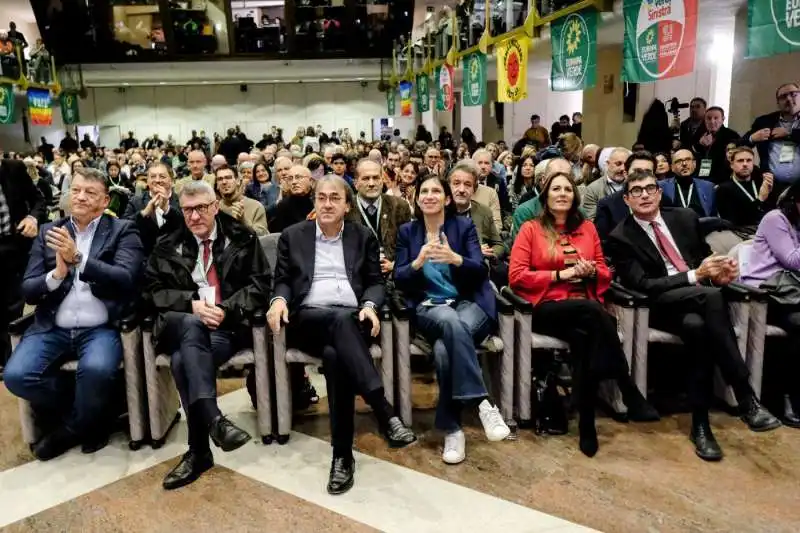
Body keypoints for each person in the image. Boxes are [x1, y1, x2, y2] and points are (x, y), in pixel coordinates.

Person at [606, 169, 781, 461]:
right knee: (710, 299)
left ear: (660, 193)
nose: (645, 194)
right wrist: (695, 277)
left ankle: (701, 427)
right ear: (627, 199)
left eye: (650, 188)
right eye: (637, 191)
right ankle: (746, 396)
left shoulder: (684, 218)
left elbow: (706, 262)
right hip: (660, 305)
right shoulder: (620, 236)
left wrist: (720, 276)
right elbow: (643, 286)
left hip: (699, 306)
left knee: (699, 329)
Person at [267, 175, 416, 495]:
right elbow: (281, 280)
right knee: (337, 324)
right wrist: (278, 300)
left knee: (336, 356)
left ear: (347, 205)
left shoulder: (362, 236)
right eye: (321, 198)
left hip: (354, 317)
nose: (327, 203)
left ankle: (342, 456)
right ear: (315, 202)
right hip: (308, 318)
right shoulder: (293, 236)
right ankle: (383, 410)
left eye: (335, 198)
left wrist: (371, 305)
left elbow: (376, 282)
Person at [509, 169, 659, 457]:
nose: (563, 193)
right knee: (592, 312)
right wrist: (560, 274)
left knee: (584, 339)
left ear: (575, 196)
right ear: (546, 196)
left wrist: (591, 271)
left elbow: (604, 269)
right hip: (546, 307)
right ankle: (626, 386)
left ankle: (587, 425)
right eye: (556, 189)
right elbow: (517, 276)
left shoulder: (588, 229)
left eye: (568, 189)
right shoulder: (531, 229)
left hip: (585, 310)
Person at [4, 167, 143, 460]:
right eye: (76, 190)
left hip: (101, 326)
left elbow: (126, 279)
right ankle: (95, 409)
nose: (79, 197)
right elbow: (28, 289)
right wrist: (56, 274)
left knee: (96, 369)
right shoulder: (49, 232)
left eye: (89, 192)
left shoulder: (123, 230)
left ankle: (71, 428)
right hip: (52, 326)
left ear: (105, 201)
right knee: (16, 376)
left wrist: (79, 259)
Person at [144, 180, 270, 490]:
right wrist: (191, 305)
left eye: (201, 208)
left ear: (215, 206)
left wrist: (226, 308)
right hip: (181, 322)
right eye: (188, 210)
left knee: (180, 362)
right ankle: (214, 419)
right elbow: (151, 293)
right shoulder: (166, 243)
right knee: (190, 324)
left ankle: (199, 451)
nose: (195, 216)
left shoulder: (242, 238)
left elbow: (260, 287)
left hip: (226, 327)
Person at [394, 173, 510, 465]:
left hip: (468, 304)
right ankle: (483, 403)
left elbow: (479, 271)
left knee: (445, 350)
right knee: (447, 320)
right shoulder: (408, 232)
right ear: (416, 198)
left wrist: (455, 258)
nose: (429, 196)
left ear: (446, 199)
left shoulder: (464, 226)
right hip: (429, 307)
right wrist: (418, 262)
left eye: (436, 191)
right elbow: (399, 278)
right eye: (424, 191)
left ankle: (453, 430)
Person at [740, 180, 800, 427]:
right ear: (795, 200)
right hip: (766, 292)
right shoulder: (775, 219)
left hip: (793, 293)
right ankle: (784, 398)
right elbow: (792, 260)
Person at [0, 160, 45, 368]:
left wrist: (32, 218)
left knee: (14, 304)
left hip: (13, 244)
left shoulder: (14, 169)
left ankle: (11, 358)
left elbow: (38, 200)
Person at [345, 159, 412, 277]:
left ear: (382, 181)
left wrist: (396, 264)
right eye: (366, 178)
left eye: (376, 178)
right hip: (359, 276)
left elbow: (408, 244)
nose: (371, 183)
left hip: (394, 275)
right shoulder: (346, 209)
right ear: (355, 183)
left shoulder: (400, 206)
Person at [448, 161, 506, 287]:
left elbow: (498, 244)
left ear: (474, 189)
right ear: (448, 187)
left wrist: (491, 253)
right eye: (456, 184)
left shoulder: (483, 211)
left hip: (481, 271)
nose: (462, 190)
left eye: (467, 185)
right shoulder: (439, 212)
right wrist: (475, 251)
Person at [745, 82, 800, 191]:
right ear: (778, 103)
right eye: (783, 97)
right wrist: (752, 138)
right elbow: (739, 143)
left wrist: (789, 133)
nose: (789, 99)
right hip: (772, 186)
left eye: (793, 94)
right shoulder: (764, 122)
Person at [595, 151, 656, 246]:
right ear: (626, 174)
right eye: (637, 171)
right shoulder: (607, 205)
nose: (642, 177)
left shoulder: (664, 200)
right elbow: (603, 244)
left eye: (648, 172)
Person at [123, 162, 182, 257]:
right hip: (145, 261)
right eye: (153, 177)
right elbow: (123, 227)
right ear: (147, 181)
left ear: (171, 180)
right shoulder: (135, 201)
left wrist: (167, 210)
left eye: (162, 176)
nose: (157, 180)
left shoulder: (182, 201)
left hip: (176, 260)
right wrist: (144, 213)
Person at [716, 146, 773, 236]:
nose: (745, 164)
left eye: (749, 160)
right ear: (731, 165)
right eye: (740, 161)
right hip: (742, 234)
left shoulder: (762, 184)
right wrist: (760, 199)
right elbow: (734, 221)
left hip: (768, 230)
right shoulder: (724, 189)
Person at [512, 158, 574, 238]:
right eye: (554, 178)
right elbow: (521, 248)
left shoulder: (579, 213)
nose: (560, 182)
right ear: (544, 180)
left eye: (566, 178)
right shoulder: (525, 212)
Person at [660, 149, 716, 217]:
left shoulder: (708, 187)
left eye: (688, 159)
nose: (684, 164)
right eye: (679, 161)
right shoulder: (662, 187)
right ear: (672, 167)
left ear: (694, 164)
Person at [691, 106, 740, 185]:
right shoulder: (699, 134)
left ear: (723, 119)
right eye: (709, 118)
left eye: (716, 118)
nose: (712, 121)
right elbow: (691, 152)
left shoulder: (731, 135)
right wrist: (700, 145)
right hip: (701, 176)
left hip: (722, 179)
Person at [214, 165, 268, 236]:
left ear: (238, 181)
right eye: (220, 179)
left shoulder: (256, 206)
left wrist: (244, 221)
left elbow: (263, 236)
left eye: (228, 178)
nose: (224, 182)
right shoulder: (214, 209)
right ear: (217, 185)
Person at [581, 147, 630, 220]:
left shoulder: (633, 186)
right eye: (618, 164)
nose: (622, 168)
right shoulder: (592, 190)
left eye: (626, 165)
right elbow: (592, 221)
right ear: (607, 164)